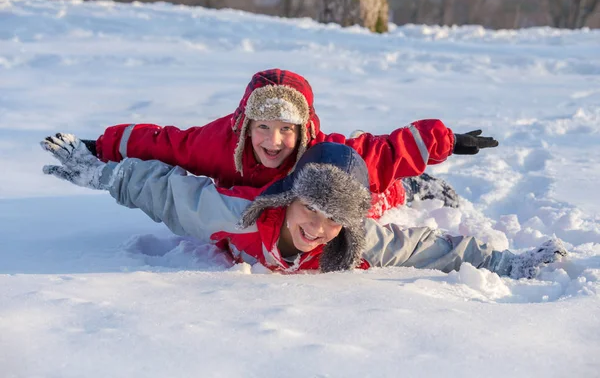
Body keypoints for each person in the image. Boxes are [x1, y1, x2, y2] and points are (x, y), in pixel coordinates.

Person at [41, 134, 565, 278]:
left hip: (367, 192)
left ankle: (413, 186)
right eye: (310, 211)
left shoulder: (351, 240)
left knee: (379, 199)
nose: (318, 228)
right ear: (289, 199)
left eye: (333, 221)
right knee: (368, 193)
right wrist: (106, 172)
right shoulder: (236, 213)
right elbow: (167, 190)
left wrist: (499, 262)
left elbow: (425, 247)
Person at [80, 68, 497, 218]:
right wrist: (103, 147)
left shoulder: (320, 155)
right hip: (262, 205)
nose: (273, 141)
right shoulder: (219, 145)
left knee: (367, 196)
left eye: (286, 129)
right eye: (263, 127)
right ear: (246, 125)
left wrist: (439, 141)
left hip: (324, 195)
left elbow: (382, 150)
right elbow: (165, 144)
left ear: (303, 131)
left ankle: (410, 187)